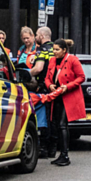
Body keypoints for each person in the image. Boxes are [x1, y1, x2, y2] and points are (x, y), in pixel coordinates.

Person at [42, 38, 87, 166]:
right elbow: (47, 78)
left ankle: (65, 155)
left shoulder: (73, 60)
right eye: (53, 49)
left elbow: (81, 77)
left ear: (64, 50)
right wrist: (50, 85)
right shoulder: (52, 61)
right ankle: (61, 154)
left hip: (68, 97)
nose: (54, 52)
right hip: (56, 96)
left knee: (62, 125)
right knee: (56, 125)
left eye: (57, 50)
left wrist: (67, 86)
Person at [30, 27, 55, 156]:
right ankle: (53, 149)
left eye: (36, 35)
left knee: (43, 118)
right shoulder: (56, 49)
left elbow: (38, 68)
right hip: (56, 87)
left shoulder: (42, 50)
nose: (36, 37)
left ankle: (43, 148)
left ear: (41, 35)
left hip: (45, 87)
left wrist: (27, 74)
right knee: (54, 119)